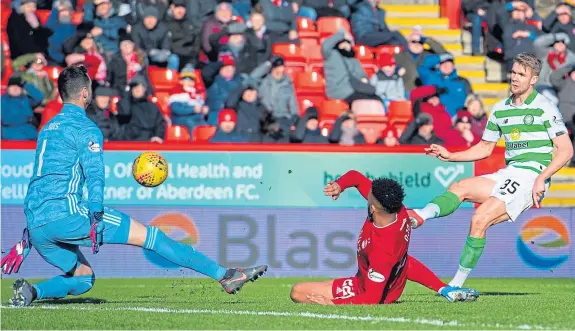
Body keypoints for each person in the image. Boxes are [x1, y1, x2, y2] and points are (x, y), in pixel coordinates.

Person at [1, 65, 268, 307]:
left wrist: (27, 238)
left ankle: (31, 293)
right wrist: (95, 216)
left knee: (84, 279)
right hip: (69, 215)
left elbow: (39, 180)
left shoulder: (46, 129)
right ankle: (226, 276)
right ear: (85, 93)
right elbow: (95, 176)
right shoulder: (86, 128)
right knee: (152, 237)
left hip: (37, 224)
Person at [408, 53, 574, 288]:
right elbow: (485, 147)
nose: (514, 78)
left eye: (521, 75)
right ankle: (419, 216)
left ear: (534, 79)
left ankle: (454, 286)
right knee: (460, 186)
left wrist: (542, 179)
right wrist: (452, 156)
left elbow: (566, 151)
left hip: (531, 176)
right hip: (510, 172)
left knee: (480, 218)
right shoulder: (499, 109)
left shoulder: (545, 108)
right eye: (513, 72)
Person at [290, 170, 478, 305]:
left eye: (369, 195)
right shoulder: (396, 210)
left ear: (373, 207)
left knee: (298, 292)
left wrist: (331, 304)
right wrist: (340, 185)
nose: (367, 192)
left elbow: (371, 298)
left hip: (373, 291)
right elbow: (355, 177)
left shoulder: (384, 250)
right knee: (311, 287)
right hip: (363, 278)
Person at [1, 74, 44, 140]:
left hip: (27, 132)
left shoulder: (27, 100)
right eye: (12, 86)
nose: (15, 88)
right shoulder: (2, 100)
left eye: (18, 86)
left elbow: (39, 97)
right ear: (8, 88)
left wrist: (26, 84)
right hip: (8, 133)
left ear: (22, 89)